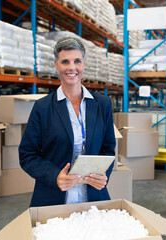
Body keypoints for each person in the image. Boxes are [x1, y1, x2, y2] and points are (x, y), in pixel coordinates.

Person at [19, 37, 116, 207]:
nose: (72, 68)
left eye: (77, 61)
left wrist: (103, 175)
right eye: (65, 62)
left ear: (84, 64)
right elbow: (27, 155)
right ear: (56, 65)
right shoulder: (42, 108)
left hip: (93, 197)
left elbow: (108, 149)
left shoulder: (102, 104)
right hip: (53, 197)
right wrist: (55, 176)